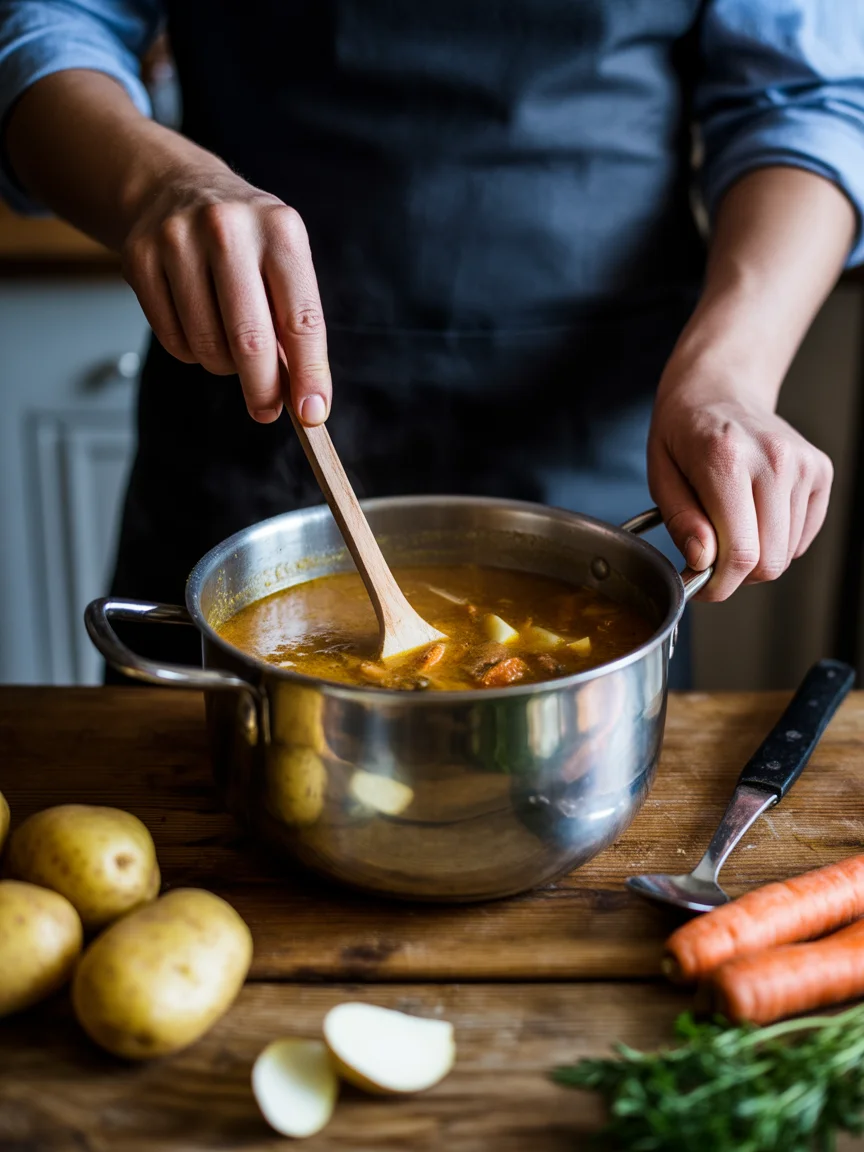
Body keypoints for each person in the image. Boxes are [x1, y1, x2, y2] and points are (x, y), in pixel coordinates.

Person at [0, 2, 861, 687]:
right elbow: (43, 24)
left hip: (600, 428)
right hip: (248, 391)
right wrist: (157, 182)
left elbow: (805, 103)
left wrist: (730, 377)